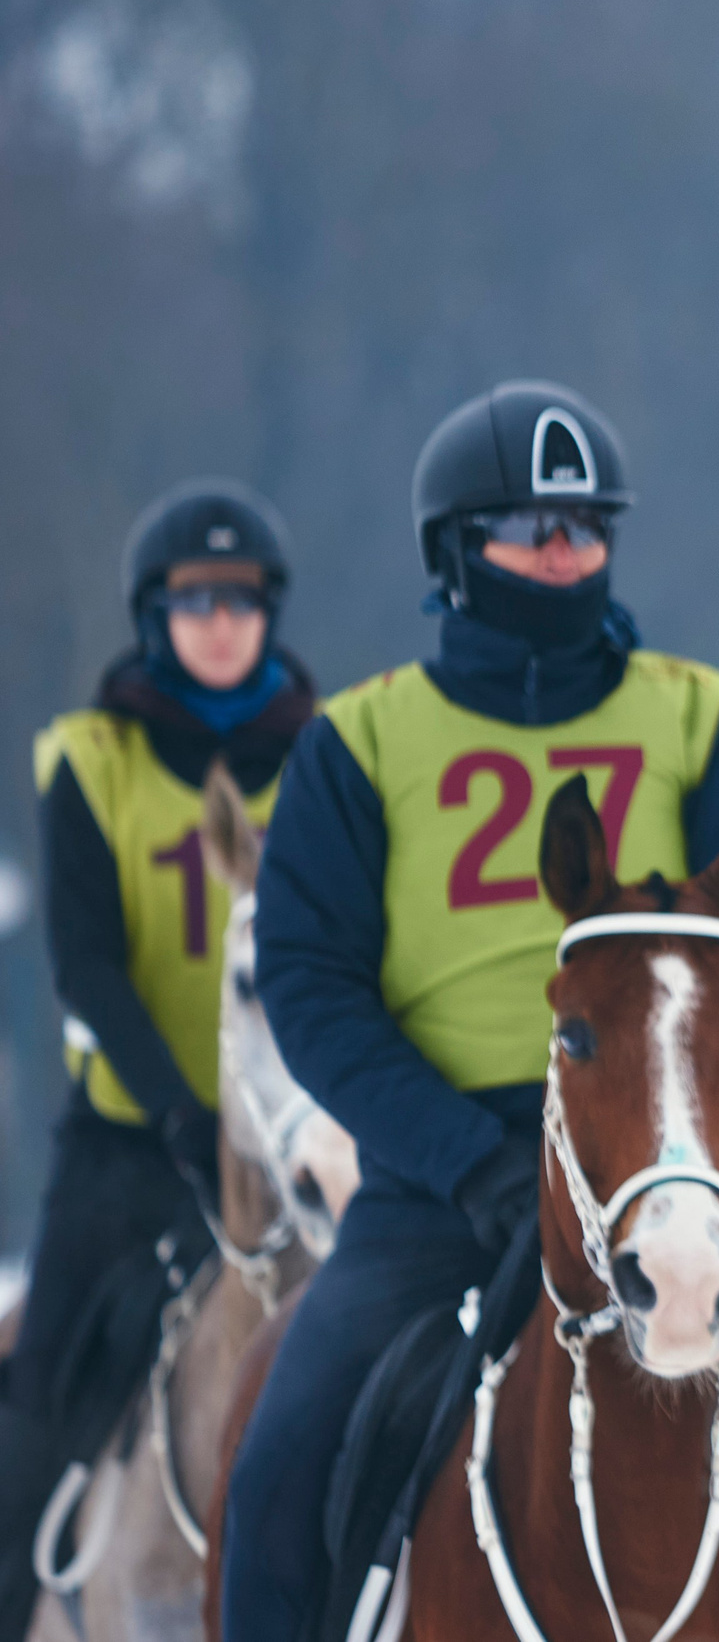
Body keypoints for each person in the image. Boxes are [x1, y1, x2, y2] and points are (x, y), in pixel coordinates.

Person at [218, 381, 719, 1642]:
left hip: (655, 1167)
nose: (565, 554)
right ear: (454, 555)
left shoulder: (704, 715)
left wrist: (698, 1092)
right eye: (531, 530)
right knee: (273, 1488)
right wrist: (462, 1158)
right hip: (436, 1191)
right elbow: (312, 984)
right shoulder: (360, 741)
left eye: (587, 527)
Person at [0, 483, 315, 1642]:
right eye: (194, 601)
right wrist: (187, 1115)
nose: (220, 622)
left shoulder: (328, 762)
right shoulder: (91, 760)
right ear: (155, 616)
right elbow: (86, 967)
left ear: (269, 613)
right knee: (36, 1414)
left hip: (297, 1146)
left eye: (240, 600)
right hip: (135, 1147)